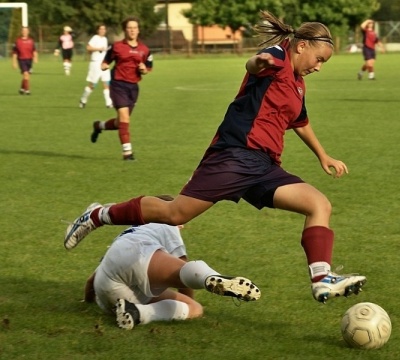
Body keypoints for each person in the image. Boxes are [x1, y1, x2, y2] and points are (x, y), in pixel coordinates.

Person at [65, 11, 366, 304]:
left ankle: (321, 278)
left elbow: (299, 121)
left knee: (318, 204)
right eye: (319, 59)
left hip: (264, 166)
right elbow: (255, 64)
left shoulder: (298, 84)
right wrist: (257, 62)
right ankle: (97, 215)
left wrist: (322, 155)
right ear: (302, 46)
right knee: (175, 215)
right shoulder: (276, 56)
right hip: (235, 156)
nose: (319, 67)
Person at [83, 196, 260, 330]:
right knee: (192, 299)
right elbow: (182, 266)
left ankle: (134, 312)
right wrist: (188, 302)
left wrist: (88, 301)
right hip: (137, 255)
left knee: (148, 286)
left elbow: (91, 281)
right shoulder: (167, 223)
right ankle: (209, 276)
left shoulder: (129, 230)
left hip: (106, 294)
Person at [89, 16, 152, 161]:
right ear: (125, 30)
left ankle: (99, 126)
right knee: (124, 119)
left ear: (138, 30)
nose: (132, 30)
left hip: (133, 88)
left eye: (135, 28)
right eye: (129, 28)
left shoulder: (145, 50)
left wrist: (144, 70)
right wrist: (104, 65)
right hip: (118, 85)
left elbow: (148, 68)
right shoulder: (117, 46)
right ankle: (127, 153)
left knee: (120, 123)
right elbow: (106, 60)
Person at [79, 24, 113, 109]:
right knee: (92, 85)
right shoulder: (95, 38)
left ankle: (108, 103)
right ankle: (83, 100)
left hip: (104, 63)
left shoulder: (105, 39)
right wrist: (98, 49)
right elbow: (88, 48)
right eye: (101, 29)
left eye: (104, 29)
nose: (102, 30)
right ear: (98, 30)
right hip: (95, 63)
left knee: (106, 83)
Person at [12, 26, 38, 95]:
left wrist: (35, 58)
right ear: (21, 32)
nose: (24, 32)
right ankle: (27, 90)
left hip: (29, 60)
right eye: (23, 31)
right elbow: (14, 53)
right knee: (26, 74)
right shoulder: (18, 41)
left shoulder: (31, 41)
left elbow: (34, 50)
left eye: (26, 31)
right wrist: (14, 62)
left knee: (27, 76)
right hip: (21, 60)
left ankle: (22, 88)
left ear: (28, 32)